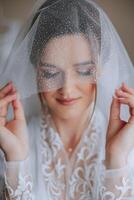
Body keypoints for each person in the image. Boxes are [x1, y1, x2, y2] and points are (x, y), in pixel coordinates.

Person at [0, 0, 134, 199]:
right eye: (51, 73)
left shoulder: (128, 146)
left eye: (83, 71)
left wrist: (116, 159)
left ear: (101, 68)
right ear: (35, 71)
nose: (67, 89)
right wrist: (15, 158)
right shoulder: (10, 142)